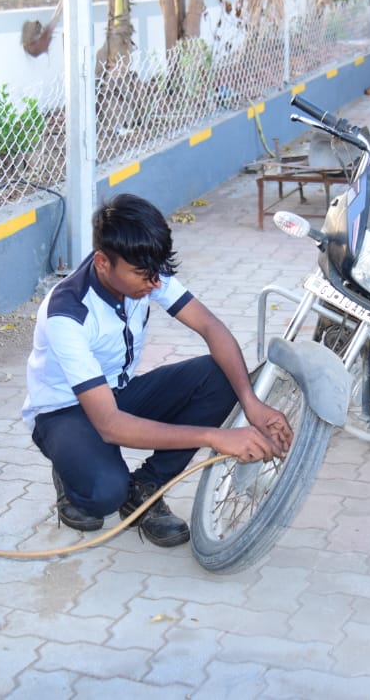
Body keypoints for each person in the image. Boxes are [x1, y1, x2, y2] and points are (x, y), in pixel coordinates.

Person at [22, 193, 293, 546]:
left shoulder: (142, 268)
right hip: (63, 412)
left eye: (156, 274)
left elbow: (211, 327)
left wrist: (250, 401)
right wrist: (215, 437)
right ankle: (72, 470)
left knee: (219, 376)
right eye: (142, 276)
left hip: (117, 394)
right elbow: (110, 425)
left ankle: (147, 487)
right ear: (103, 263)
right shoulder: (68, 313)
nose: (153, 284)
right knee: (105, 493)